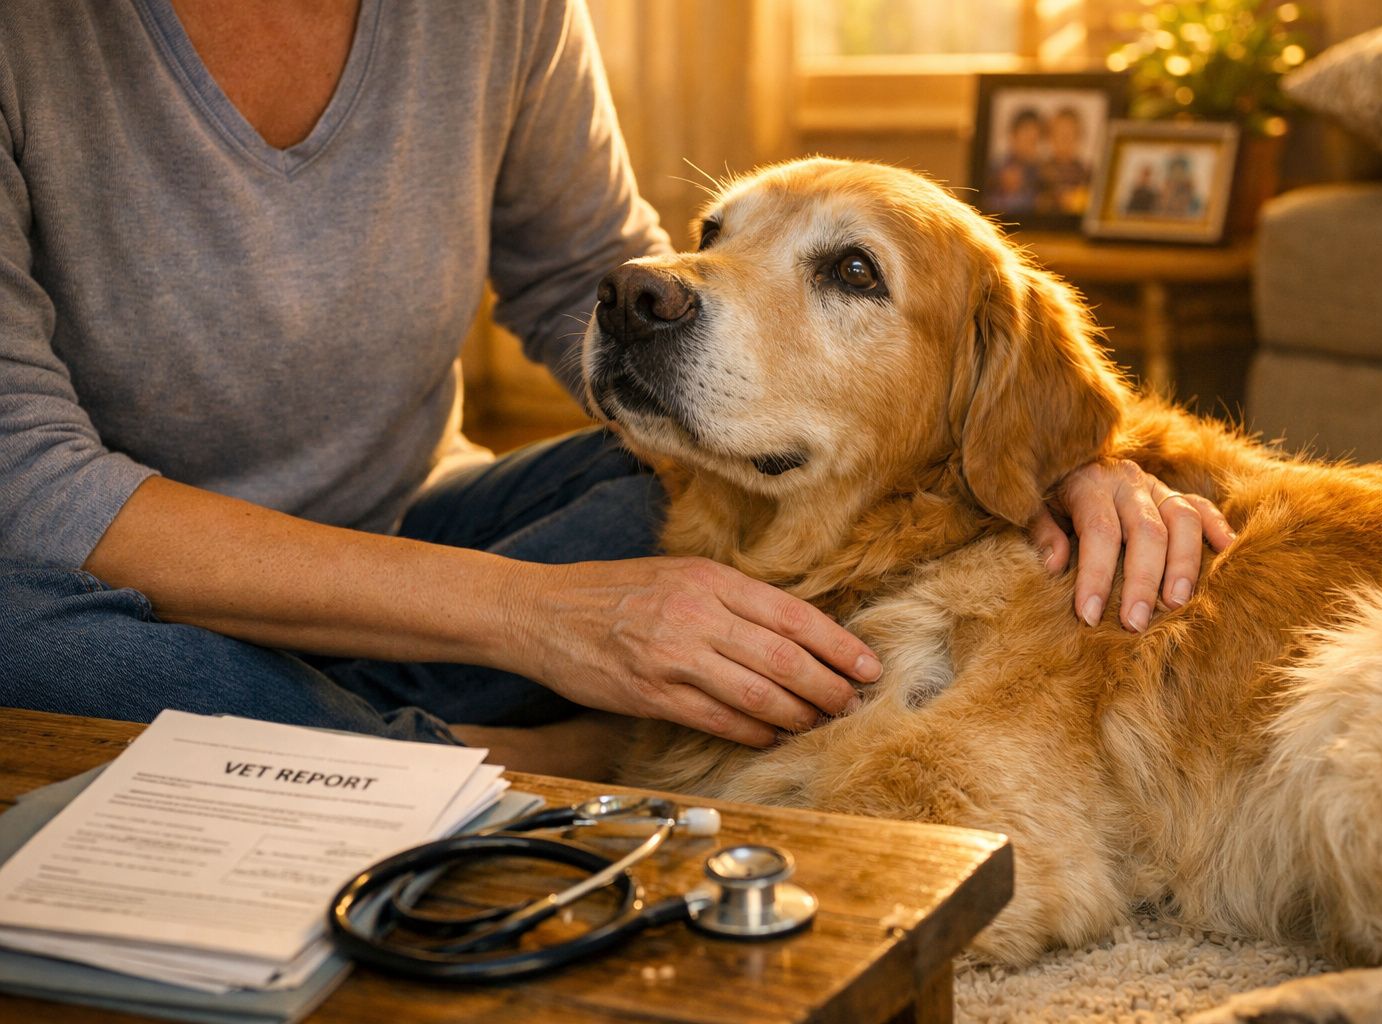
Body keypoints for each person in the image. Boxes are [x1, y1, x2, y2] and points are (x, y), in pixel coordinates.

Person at [0, 0, 1234, 776]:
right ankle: (484, 760)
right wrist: (543, 621)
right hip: (112, 574)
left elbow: (585, 287)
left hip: (421, 526)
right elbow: (26, 485)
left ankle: (269, 742)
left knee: (672, 487)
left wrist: (1054, 444)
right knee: (19, 633)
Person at [984, 107, 1043, 216]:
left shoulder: (1040, 172)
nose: (1030, 145)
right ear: (1013, 135)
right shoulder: (996, 167)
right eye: (1026, 137)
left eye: (1034, 141)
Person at [1037, 107, 1094, 215]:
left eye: (1070, 134)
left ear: (1079, 136)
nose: (1064, 139)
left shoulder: (1087, 174)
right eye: (1060, 133)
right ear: (1050, 137)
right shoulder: (1040, 172)